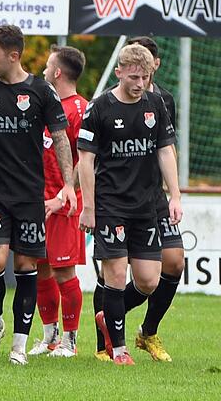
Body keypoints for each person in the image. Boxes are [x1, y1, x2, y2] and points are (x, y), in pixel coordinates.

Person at [0, 25, 76, 366]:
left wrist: (68, 185)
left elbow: (59, 139)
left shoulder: (42, 91)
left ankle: (18, 344)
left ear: (14, 56)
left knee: (27, 265)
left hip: (30, 196)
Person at [78, 44, 182, 365]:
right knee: (115, 273)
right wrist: (90, 207)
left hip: (146, 206)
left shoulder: (156, 104)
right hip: (111, 205)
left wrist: (175, 194)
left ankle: (110, 316)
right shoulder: (99, 109)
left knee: (149, 280)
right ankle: (120, 350)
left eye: (145, 77)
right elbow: (85, 159)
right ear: (119, 72)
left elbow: (165, 150)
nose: (139, 84)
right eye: (134, 77)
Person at [28, 45, 87, 358]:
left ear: (59, 72)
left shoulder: (80, 109)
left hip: (65, 204)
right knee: (41, 268)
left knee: (64, 272)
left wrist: (65, 193)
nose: (44, 70)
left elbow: (86, 157)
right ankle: (49, 337)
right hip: (39, 202)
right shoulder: (45, 105)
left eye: (48, 65)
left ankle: (69, 341)